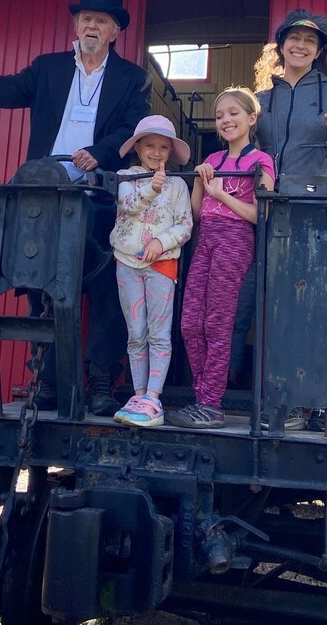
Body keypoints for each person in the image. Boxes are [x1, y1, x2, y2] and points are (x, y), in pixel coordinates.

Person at [0, 0, 152, 415]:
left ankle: (98, 383)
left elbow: (134, 127)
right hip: (46, 198)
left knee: (106, 292)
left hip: (98, 196)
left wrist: (103, 151)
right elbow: (4, 91)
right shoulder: (48, 68)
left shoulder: (132, 78)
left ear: (115, 31)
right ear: (76, 25)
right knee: (43, 288)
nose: (91, 25)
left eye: (101, 20)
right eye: (85, 18)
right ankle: (50, 380)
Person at [239, 9, 327, 431]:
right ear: (281, 44)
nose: (300, 45)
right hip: (265, 210)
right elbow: (245, 150)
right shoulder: (264, 99)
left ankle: (307, 402)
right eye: (294, 38)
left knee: (307, 305)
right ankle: (269, 396)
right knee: (264, 306)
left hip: (313, 212)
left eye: (310, 41)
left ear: (319, 50)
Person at [169, 87, 275, 429]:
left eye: (233, 113)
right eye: (220, 116)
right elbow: (198, 212)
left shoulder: (262, 161)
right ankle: (204, 397)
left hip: (235, 239)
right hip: (207, 239)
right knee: (189, 323)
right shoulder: (213, 160)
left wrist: (220, 194)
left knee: (217, 323)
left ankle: (210, 403)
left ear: (251, 118)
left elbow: (262, 214)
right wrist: (201, 183)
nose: (226, 120)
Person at [109, 116, 194, 427]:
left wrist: (161, 240)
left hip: (161, 264)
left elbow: (184, 225)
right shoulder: (125, 178)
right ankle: (139, 393)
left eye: (163, 147)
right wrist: (150, 189)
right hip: (127, 262)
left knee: (158, 333)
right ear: (138, 148)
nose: (156, 153)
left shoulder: (178, 185)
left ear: (171, 151)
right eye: (150, 146)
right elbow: (128, 205)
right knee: (136, 332)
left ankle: (153, 398)